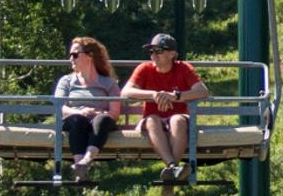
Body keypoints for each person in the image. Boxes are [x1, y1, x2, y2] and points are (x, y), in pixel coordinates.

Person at [124, 32, 212, 185]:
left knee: (177, 120)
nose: (154, 55)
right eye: (151, 51)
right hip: (153, 120)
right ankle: (173, 167)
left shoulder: (183, 68)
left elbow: (203, 91)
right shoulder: (144, 69)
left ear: (172, 54)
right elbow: (126, 92)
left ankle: (171, 168)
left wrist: (175, 96)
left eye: (159, 51)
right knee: (152, 120)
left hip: (178, 119)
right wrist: (153, 95)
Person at [54, 36, 122, 183]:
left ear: (90, 56)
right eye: (70, 55)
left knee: (102, 119)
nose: (71, 59)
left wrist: (99, 114)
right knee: (78, 120)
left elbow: (114, 113)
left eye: (75, 55)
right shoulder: (66, 81)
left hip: (99, 123)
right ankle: (80, 166)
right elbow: (59, 107)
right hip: (75, 121)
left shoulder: (108, 83)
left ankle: (85, 161)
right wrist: (80, 112)